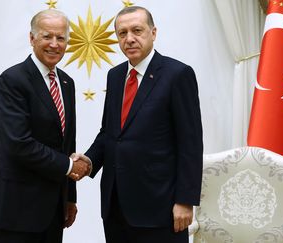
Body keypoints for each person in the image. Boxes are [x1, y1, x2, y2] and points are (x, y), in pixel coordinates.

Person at [75, 6, 203, 243]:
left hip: (160, 206)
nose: (129, 39)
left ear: (153, 33)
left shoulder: (178, 74)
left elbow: (190, 143)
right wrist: (89, 161)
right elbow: (110, 133)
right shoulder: (115, 76)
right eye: (122, 33)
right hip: (116, 205)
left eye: (137, 30)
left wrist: (185, 200)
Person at [0, 9, 90, 243]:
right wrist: (69, 166)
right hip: (17, 211)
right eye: (47, 36)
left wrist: (69, 197)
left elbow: (67, 144)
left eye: (61, 38)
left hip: (54, 210)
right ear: (32, 38)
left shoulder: (66, 82)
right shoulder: (12, 80)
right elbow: (18, 143)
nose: (54, 44)